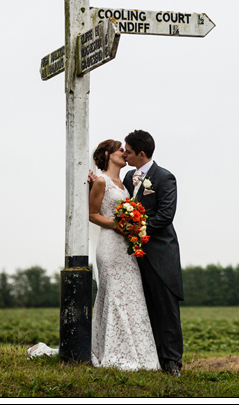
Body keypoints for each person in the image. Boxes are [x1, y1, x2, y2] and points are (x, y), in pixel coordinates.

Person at [86, 139, 161, 370]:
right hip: (110, 245)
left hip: (126, 248)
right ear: (108, 155)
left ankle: (139, 353)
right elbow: (92, 214)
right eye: (119, 149)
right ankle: (113, 352)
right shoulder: (101, 181)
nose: (123, 152)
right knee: (115, 295)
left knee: (132, 295)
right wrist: (116, 225)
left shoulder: (126, 182)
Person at [121, 130, 185, 377]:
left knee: (166, 310)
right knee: (144, 308)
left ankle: (172, 363)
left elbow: (166, 215)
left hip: (161, 255)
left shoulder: (165, 178)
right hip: (135, 257)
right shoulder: (128, 177)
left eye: (127, 151)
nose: (124, 154)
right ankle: (152, 359)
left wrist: (137, 229)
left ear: (141, 154)